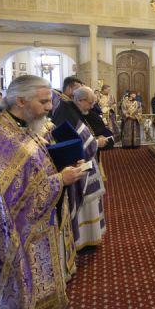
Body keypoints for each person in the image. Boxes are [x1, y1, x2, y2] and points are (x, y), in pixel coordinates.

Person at [0, 75, 87, 308]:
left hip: (43, 225)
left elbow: (35, 167)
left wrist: (64, 163)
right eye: (43, 102)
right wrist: (60, 180)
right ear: (21, 101)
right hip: (21, 237)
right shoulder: (3, 138)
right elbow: (13, 200)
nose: (49, 108)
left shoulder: (21, 125)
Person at [52, 86, 107, 251]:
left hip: (86, 165)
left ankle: (92, 236)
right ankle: (84, 239)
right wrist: (97, 143)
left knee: (91, 203)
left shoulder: (74, 111)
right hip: (78, 167)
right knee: (84, 204)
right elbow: (78, 142)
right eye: (90, 103)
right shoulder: (68, 113)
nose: (92, 106)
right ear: (80, 100)